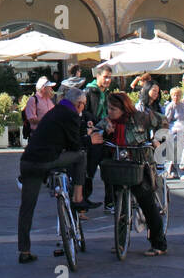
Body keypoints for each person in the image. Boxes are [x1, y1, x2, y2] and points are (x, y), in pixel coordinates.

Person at [17, 84, 100, 263]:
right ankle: (78, 197)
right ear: (78, 104)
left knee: (27, 208)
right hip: (46, 161)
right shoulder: (70, 115)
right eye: (83, 104)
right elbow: (75, 145)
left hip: (28, 162)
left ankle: (24, 250)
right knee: (80, 156)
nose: (84, 108)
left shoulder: (55, 112)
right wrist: (89, 139)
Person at [99, 91, 167, 255]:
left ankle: (158, 243)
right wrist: (103, 132)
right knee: (120, 208)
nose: (110, 112)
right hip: (118, 165)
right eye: (109, 108)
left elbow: (163, 121)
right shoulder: (109, 121)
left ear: (124, 108)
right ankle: (120, 242)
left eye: (113, 109)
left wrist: (157, 139)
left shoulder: (141, 117)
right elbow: (95, 130)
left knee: (147, 204)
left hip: (140, 164)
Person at [163, 86, 184, 179]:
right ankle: (179, 172)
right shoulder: (170, 106)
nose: (176, 97)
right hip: (173, 131)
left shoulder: (183, 106)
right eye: (174, 95)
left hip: (182, 131)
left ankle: (176, 171)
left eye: (178, 95)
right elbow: (167, 120)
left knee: (179, 152)